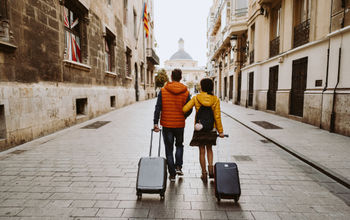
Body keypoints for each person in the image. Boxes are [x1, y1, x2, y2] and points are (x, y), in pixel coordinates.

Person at [153, 69, 192, 181]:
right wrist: (183, 116)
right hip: (179, 124)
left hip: (167, 124)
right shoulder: (185, 91)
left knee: (169, 149)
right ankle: (178, 166)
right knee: (179, 145)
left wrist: (155, 122)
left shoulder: (163, 90)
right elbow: (189, 108)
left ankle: (172, 174)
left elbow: (158, 107)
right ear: (180, 77)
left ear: (171, 76)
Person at [183, 78, 224, 181]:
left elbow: (185, 109)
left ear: (202, 87)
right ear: (211, 87)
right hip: (211, 128)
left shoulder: (196, 98)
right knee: (209, 149)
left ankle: (204, 173)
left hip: (199, 128)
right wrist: (221, 131)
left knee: (202, 151)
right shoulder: (215, 99)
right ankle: (211, 170)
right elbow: (217, 116)